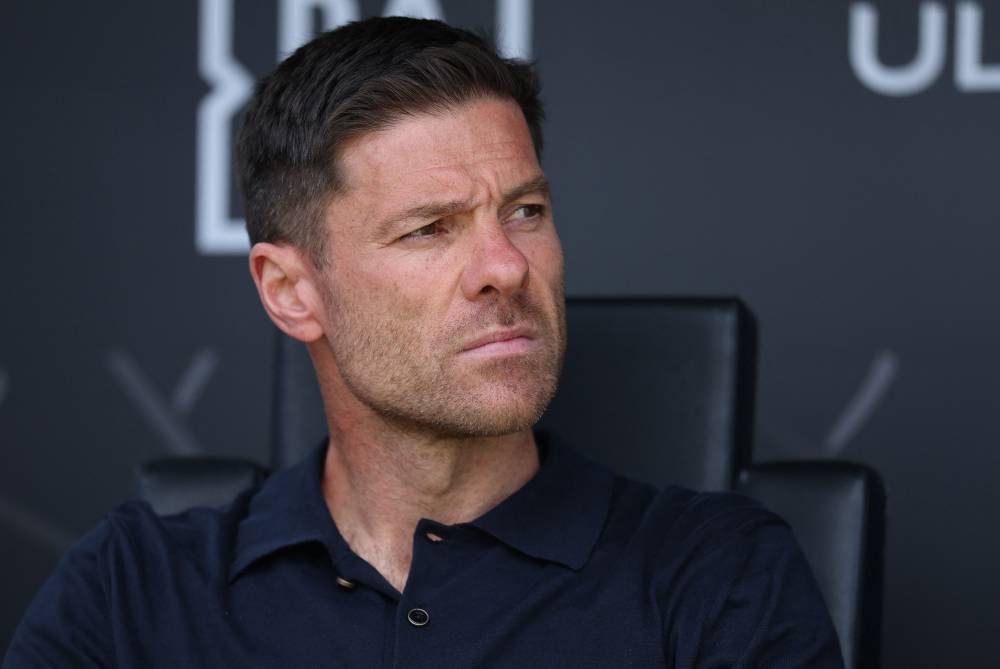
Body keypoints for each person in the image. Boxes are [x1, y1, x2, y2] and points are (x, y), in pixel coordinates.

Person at [4, 17, 843, 668]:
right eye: (429, 229)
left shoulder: (716, 576)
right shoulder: (132, 590)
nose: (506, 267)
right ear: (292, 291)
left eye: (525, 211)